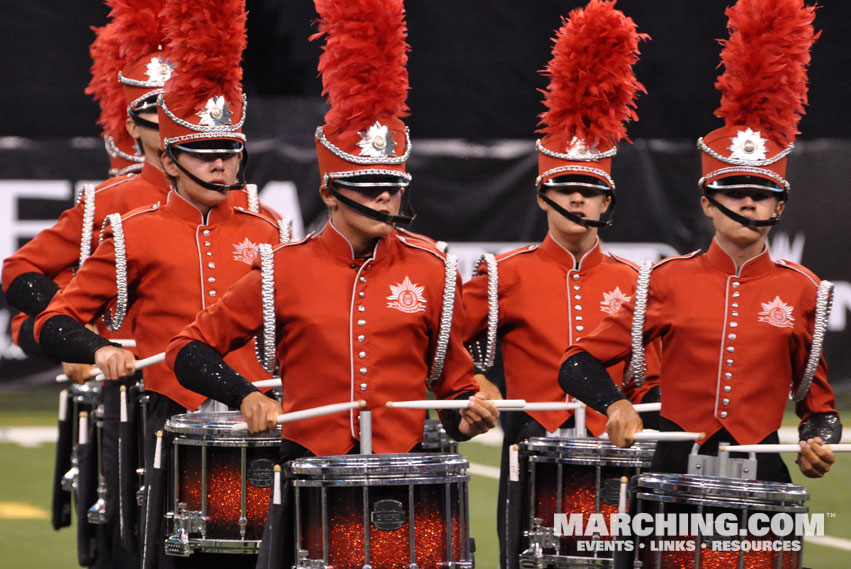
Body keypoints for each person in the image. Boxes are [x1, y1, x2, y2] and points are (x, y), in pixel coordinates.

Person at [165, 0, 497, 563]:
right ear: (329, 193)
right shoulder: (282, 267)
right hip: (304, 475)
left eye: (392, 187)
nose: (385, 200)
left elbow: (454, 387)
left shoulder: (434, 268)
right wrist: (244, 394)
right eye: (368, 187)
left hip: (404, 477)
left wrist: (469, 412)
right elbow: (187, 350)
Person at [34, 1, 285, 566]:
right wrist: (97, 348)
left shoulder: (273, 228)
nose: (221, 165)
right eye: (205, 153)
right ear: (171, 161)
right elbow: (55, 320)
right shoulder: (131, 230)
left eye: (230, 152)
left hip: (263, 415)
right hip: (168, 416)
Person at [558, 0, 839, 483]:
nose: (748, 205)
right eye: (735, 194)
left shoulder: (803, 289)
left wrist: (820, 441)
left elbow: (819, 408)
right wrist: (616, 402)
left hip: (761, 473)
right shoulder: (666, 280)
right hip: (674, 470)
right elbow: (576, 363)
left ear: (779, 208)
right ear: (708, 204)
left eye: (761, 195)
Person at [462, 3, 659, 566]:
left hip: (617, 457)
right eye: (566, 187)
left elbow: (658, 368)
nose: (578, 198)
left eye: (591, 190)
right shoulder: (505, 272)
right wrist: (474, 378)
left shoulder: (638, 280)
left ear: (608, 201)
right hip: (530, 453)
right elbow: (443, 335)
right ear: (543, 195)